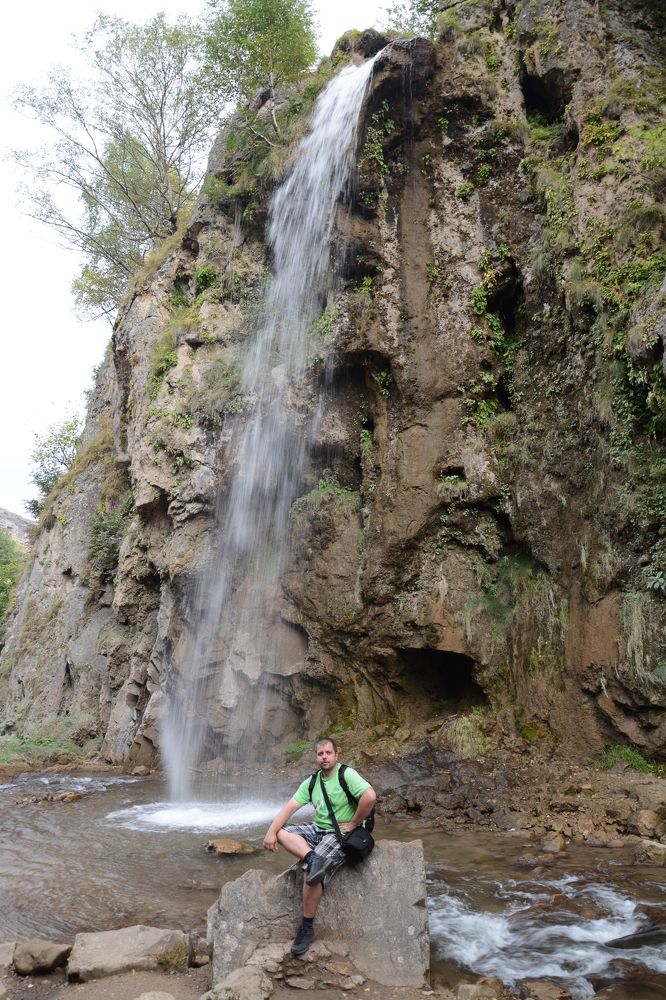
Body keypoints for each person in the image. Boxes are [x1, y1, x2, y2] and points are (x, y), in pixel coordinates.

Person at [263, 736, 377, 956]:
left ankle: (307, 926)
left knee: (310, 875)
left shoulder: (346, 774)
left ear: (336, 755)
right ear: (316, 757)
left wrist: (353, 823)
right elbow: (289, 808)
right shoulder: (313, 782)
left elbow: (370, 796)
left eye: (328, 753)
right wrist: (270, 832)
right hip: (318, 830)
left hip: (340, 834)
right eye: (320, 754)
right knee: (282, 832)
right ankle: (313, 858)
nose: (324, 757)